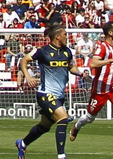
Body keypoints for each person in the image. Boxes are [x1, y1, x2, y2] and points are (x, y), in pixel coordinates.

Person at [71, 21, 113, 155]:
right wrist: (111, 60)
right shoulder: (102, 47)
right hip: (100, 89)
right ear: (110, 33)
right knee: (89, 118)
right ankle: (76, 127)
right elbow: (93, 63)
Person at [17, 22, 75, 159]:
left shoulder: (67, 51)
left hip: (59, 96)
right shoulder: (42, 51)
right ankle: (61, 156)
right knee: (63, 118)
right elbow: (23, 61)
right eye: (65, 34)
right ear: (57, 37)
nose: (67, 37)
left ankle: (22, 144)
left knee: (44, 126)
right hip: (45, 94)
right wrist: (28, 76)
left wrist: (81, 73)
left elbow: (71, 67)